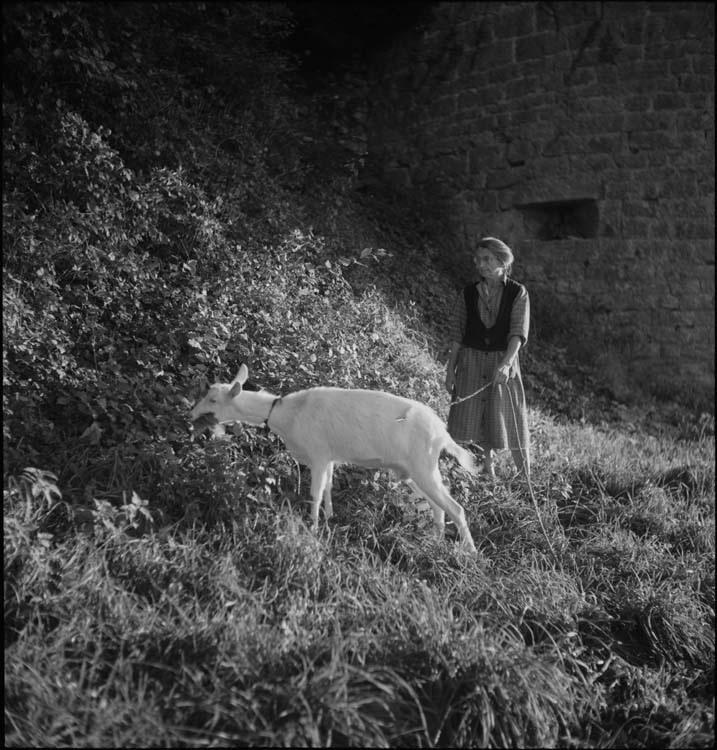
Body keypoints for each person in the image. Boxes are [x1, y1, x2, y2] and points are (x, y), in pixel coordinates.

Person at [445, 237, 531, 480]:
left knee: (510, 418)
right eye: (478, 260)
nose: (480, 265)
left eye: (487, 259)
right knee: (475, 418)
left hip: (502, 361)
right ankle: (488, 472)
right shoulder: (468, 293)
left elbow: (517, 332)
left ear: (502, 261)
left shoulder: (517, 293)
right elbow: (457, 333)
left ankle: (525, 477)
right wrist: (451, 369)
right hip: (471, 362)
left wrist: (506, 363)